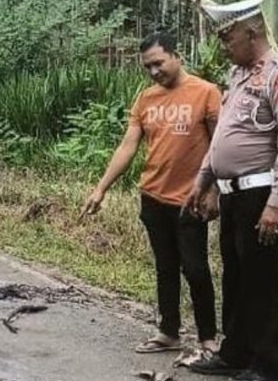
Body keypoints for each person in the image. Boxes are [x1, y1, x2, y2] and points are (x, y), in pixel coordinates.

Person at [185, 0, 278, 381]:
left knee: (263, 279)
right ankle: (235, 351)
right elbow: (222, 138)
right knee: (236, 275)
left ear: (251, 32)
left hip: (262, 194)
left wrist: (276, 205)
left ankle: (268, 364)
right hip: (233, 193)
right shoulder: (238, 77)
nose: (223, 44)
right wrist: (204, 182)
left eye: (227, 36)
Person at [82, 30, 221, 354]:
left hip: (191, 197)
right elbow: (128, 145)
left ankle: (208, 339)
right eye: (148, 67)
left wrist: (214, 190)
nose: (154, 71)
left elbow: (219, 146)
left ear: (176, 56)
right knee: (165, 266)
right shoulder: (146, 99)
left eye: (158, 63)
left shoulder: (206, 92)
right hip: (153, 196)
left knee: (196, 268)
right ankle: (168, 332)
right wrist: (101, 188)